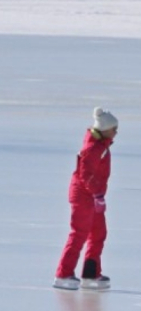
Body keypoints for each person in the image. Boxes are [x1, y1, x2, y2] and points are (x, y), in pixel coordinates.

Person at [53, 107, 118, 290]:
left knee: (98, 233)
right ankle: (63, 274)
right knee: (79, 234)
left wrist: (98, 195)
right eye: (114, 129)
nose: (116, 133)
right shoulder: (93, 148)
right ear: (105, 129)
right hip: (83, 196)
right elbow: (85, 174)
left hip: (94, 196)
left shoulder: (102, 146)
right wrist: (96, 194)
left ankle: (90, 274)